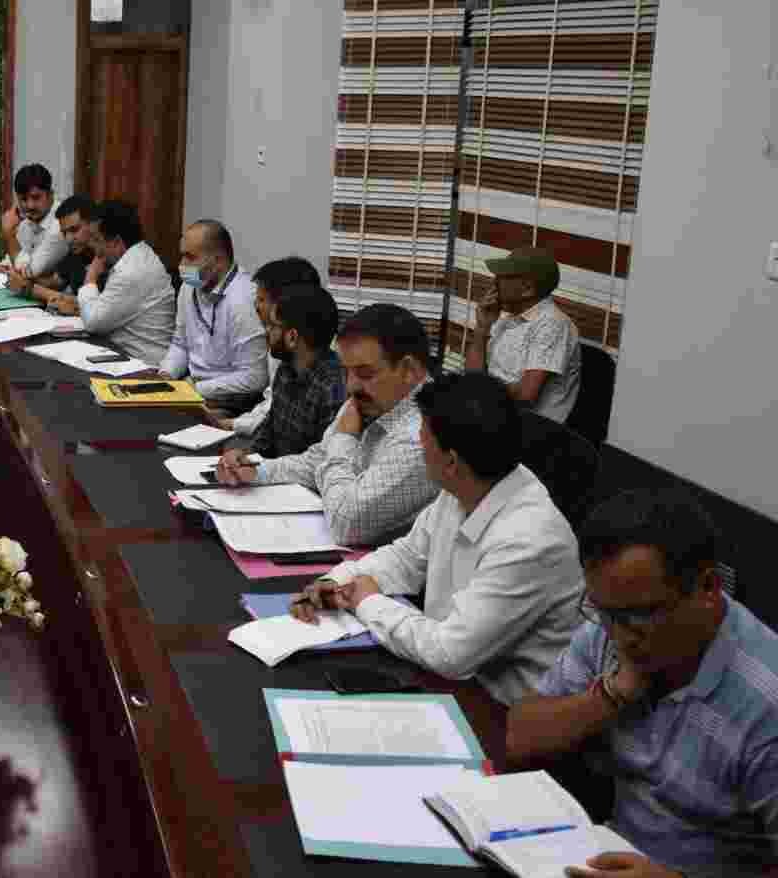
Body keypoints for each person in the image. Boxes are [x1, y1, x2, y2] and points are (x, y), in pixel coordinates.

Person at [507, 489, 778, 877]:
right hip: (604, 851)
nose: (619, 637)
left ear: (707, 588)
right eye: (604, 613)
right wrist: (612, 694)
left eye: (638, 616)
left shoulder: (766, 706)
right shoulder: (612, 629)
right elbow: (520, 737)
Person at [291, 372, 582, 705]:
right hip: (448, 676)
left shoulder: (530, 541)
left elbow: (451, 653)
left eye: (423, 437)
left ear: (451, 462)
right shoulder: (467, 486)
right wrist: (339, 580)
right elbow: (406, 557)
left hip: (501, 709)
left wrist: (366, 600)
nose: (419, 444)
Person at [216, 303, 439, 545]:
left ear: (408, 370)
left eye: (365, 373)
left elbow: (347, 525)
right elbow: (317, 461)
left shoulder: (422, 436)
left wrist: (344, 438)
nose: (351, 386)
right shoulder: (372, 399)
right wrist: (256, 471)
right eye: (346, 372)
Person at [157, 220, 268, 411]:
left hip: (231, 401)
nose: (181, 265)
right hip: (192, 388)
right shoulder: (188, 287)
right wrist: (166, 375)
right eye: (182, 256)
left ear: (218, 261)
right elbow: (180, 343)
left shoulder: (244, 299)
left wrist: (194, 389)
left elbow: (255, 377)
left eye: (190, 257)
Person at [208, 256, 325, 436]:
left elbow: (279, 416)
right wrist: (231, 423)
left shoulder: (310, 353)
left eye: (262, 300)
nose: (256, 306)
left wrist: (232, 424)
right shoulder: (278, 343)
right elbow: (271, 400)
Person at [465, 246, 582, 422]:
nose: (494, 281)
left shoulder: (553, 324)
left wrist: (481, 387)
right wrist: (482, 328)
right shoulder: (507, 319)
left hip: (527, 428)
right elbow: (471, 377)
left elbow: (525, 395)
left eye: (503, 277)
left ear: (527, 288)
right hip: (491, 415)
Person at [249, 282, 347, 459]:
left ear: (292, 337)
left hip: (300, 474)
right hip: (272, 469)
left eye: (273, 326)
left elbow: (321, 460)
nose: (266, 332)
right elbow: (269, 431)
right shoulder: (286, 368)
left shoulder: (333, 387)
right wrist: (245, 458)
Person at [76, 199, 176, 366]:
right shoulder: (138, 255)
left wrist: (90, 277)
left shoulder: (131, 271)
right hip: (123, 356)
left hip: (144, 367)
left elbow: (93, 322)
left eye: (96, 239)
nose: (93, 247)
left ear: (116, 242)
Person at [0, 163, 68, 289]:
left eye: (36, 198)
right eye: (23, 199)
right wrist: (2, 266)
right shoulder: (27, 221)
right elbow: (17, 257)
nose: (30, 206)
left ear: (50, 195)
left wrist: (9, 234)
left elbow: (27, 272)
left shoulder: (61, 224)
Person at [31, 196, 96, 313]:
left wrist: (31, 289)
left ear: (94, 224)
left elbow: (97, 307)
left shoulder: (107, 258)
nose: (69, 239)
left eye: (74, 230)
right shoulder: (77, 252)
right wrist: (26, 280)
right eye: (64, 233)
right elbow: (56, 282)